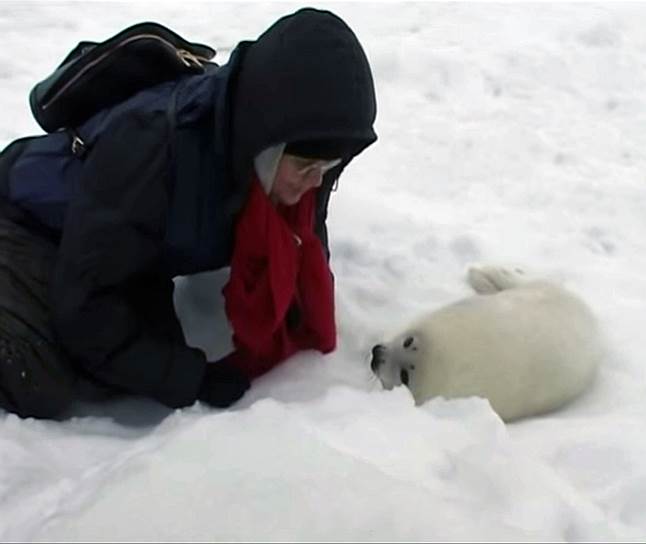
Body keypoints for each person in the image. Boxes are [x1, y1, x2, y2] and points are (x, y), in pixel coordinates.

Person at [0, 7, 377, 419]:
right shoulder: (151, 151)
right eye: (307, 167)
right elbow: (87, 306)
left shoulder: (280, 154)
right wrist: (191, 377)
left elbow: (303, 244)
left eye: (329, 169)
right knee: (39, 379)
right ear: (265, 137)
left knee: (142, 350)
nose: (315, 183)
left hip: (122, 247)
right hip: (26, 221)